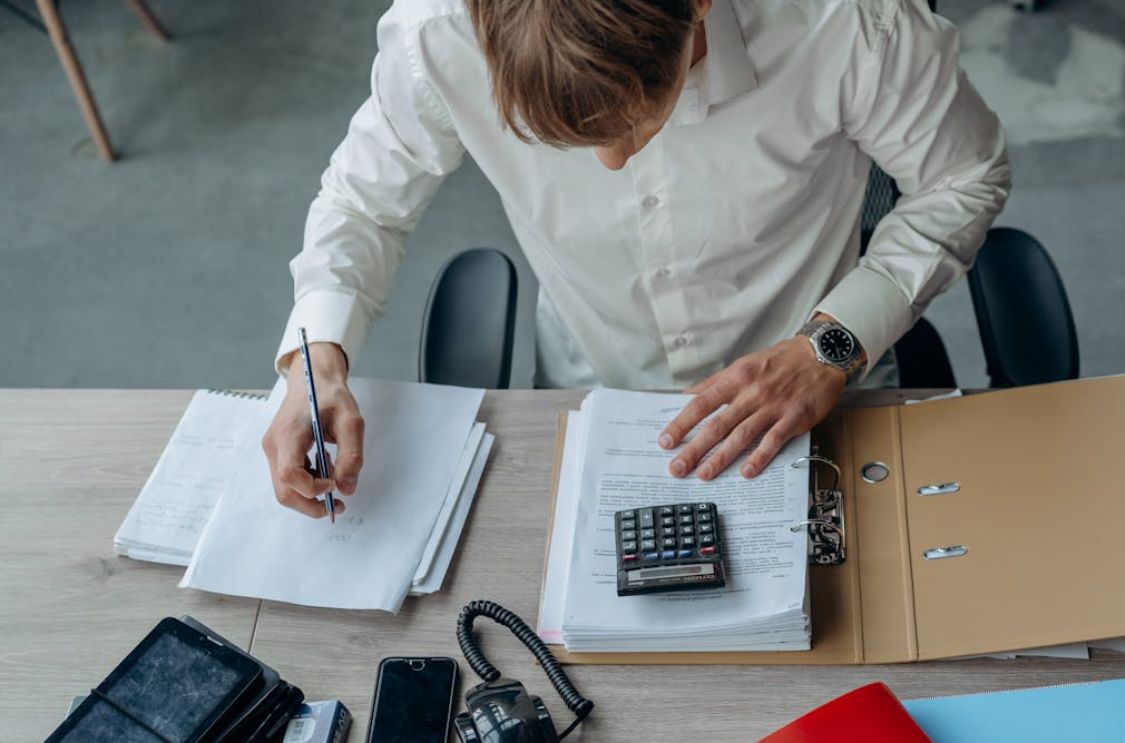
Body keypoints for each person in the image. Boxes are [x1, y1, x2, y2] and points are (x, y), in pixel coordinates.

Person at [263, 0, 1010, 518]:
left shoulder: (846, 24)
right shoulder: (436, 32)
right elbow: (363, 204)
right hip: (589, 391)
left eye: (636, 124)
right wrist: (316, 362)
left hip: (824, 392)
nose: (612, 164)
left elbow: (964, 174)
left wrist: (833, 342)